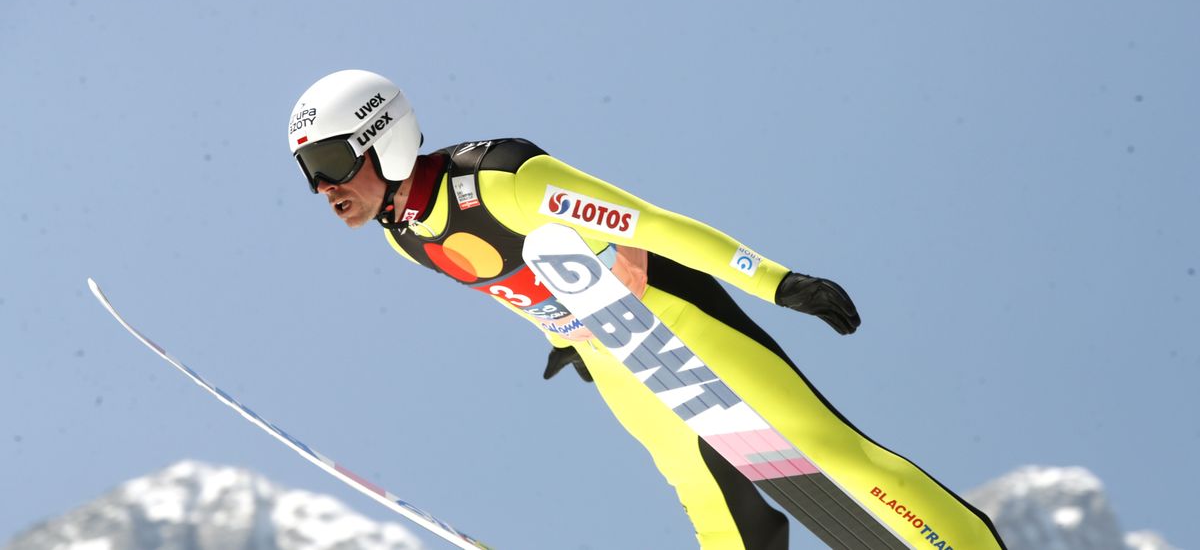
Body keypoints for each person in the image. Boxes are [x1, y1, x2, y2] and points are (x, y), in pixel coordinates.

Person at [287, 70, 1005, 550]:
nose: (323, 188)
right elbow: (508, 282)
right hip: (612, 354)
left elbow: (650, 225)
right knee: (702, 489)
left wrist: (776, 282)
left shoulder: (500, 178)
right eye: (308, 174)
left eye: (329, 164)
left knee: (821, 453)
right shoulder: (403, 238)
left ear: (382, 137)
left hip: (668, 311)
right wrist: (560, 334)